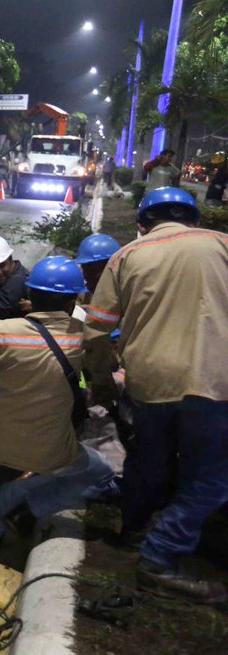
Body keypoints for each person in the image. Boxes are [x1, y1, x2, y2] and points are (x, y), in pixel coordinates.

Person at [84, 187, 228, 603]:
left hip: (150, 380)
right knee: (210, 478)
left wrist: (105, 383)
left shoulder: (128, 255)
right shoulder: (222, 246)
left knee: (149, 459)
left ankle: (135, 530)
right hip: (213, 381)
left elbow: (96, 332)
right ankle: (161, 555)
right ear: (195, 219)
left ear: (142, 223)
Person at [0, 256, 117, 561]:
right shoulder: (85, 337)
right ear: (72, 303)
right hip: (53, 451)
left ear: (29, 296)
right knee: (103, 475)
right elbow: (107, 374)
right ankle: (2, 523)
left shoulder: (0, 332)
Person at [73, 233, 120, 300]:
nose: (87, 274)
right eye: (86, 267)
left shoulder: (124, 294)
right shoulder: (81, 295)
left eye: (93, 268)